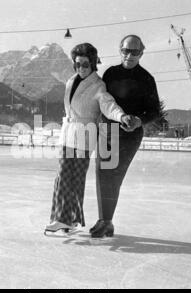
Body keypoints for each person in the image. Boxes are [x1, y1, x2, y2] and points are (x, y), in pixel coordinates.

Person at [45, 43, 132, 233]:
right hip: (67, 134)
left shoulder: (98, 85)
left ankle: (66, 220)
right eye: (78, 64)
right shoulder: (70, 81)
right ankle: (67, 220)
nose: (81, 68)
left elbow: (108, 104)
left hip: (84, 136)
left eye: (85, 64)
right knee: (62, 177)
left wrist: (122, 116)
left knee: (74, 179)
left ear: (93, 64)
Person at [91, 35, 163, 238]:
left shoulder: (147, 79)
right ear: (120, 50)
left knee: (115, 176)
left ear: (142, 52)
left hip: (130, 136)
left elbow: (154, 111)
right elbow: (103, 102)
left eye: (135, 52)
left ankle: (108, 220)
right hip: (107, 131)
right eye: (126, 51)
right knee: (102, 174)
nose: (129, 55)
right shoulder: (111, 74)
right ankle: (103, 219)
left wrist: (139, 120)